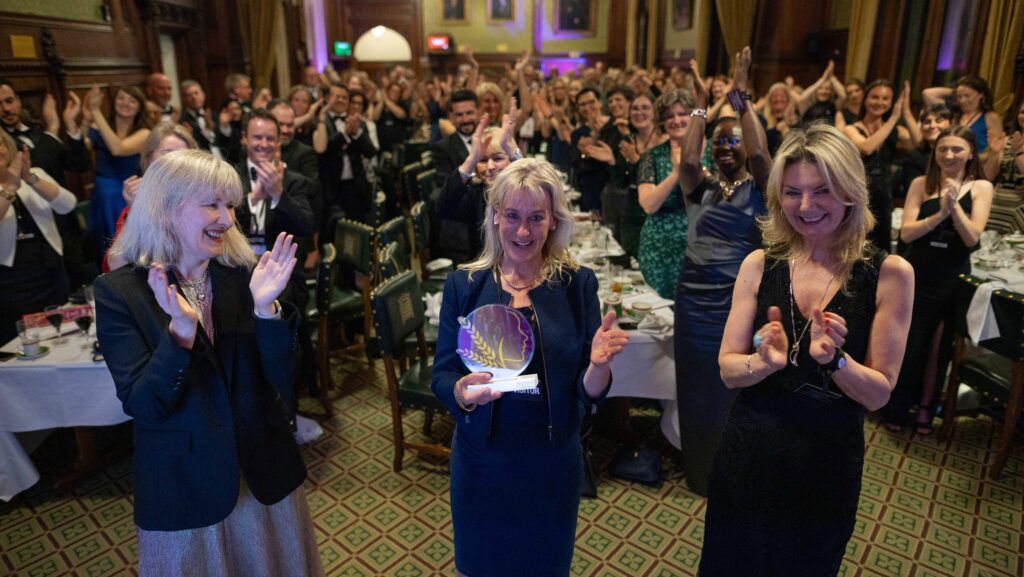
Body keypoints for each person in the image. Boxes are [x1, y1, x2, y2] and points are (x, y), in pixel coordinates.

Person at [95, 149, 324, 577]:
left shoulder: (246, 274)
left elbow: (286, 378)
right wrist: (179, 335)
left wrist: (266, 311)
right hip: (185, 484)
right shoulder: (119, 292)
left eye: (230, 205)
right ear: (165, 208)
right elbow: (145, 406)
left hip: (263, 476)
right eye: (211, 204)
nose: (226, 217)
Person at [702, 123, 913, 575]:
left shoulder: (889, 273)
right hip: (749, 452)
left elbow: (879, 394)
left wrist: (836, 360)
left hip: (825, 462)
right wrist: (762, 362)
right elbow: (727, 368)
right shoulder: (759, 263)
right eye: (792, 192)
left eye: (822, 191)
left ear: (851, 192)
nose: (805, 206)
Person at [431, 157, 629, 576]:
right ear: (495, 217)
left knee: (544, 565)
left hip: (550, 459)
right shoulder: (463, 284)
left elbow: (590, 391)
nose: (523, 232)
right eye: (513, 216)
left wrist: (598, 366)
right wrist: (460, 394)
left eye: (536, 218)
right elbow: (443, 374)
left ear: (554, 221)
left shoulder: (578, 284)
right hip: (482, 458)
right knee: (481, 564)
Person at [674, 49, 771, 496]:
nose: (726, 146)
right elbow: (687, 161)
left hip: (737, 302)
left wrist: (741, 100)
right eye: (720, 141)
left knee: (732, 388)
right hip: (693, 300)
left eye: (733, 141)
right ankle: (698, 471)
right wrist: (700, 104)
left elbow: (761, 153)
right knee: (695, 390)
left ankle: (733, 473)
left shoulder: (762, 188)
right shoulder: (701, 187)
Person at [881, 126, 991, 434]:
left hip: (952, 276)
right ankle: (898, 404)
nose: (949, 155)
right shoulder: (921, 183)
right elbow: (907, 233)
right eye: (943, 149)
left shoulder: (982, 187)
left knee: (937, 347)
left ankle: (927, 406)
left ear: (970, 152)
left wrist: (954, 208)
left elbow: (972, 238)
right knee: (909, 342)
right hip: (917, 274)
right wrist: (940, 213)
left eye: (956, 149)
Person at [0, 129, 76, 343]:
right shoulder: (11, 185)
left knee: (61, 330)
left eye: (0, 143)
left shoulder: (35, 173)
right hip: (11, 277)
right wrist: (11, 186)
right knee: (23, 339)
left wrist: (29, 178)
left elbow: (67, 204)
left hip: (49, 266)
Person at [105, 122, 197, 272]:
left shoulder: (205, 198)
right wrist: (137, 209)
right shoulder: (134, 204)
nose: (175, 162)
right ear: (148, 159)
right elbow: (116, 265)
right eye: (167, 153)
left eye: (183, 155)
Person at [437, 103, 521, 264]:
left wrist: (515, 155)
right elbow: (443, 208)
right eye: (483, 160)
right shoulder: (475, 192)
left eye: (497, 158)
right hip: (484, 272)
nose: (490, 167)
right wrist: (470, 160)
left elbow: (536, 187)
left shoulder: (522, 191)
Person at [843, 79, 918, 252]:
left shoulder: (895, 130)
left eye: (885, 99)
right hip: (856, 195)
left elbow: (919, 142)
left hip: (883, 197)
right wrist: (893, 118)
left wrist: (905, 112)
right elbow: (867, 147)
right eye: (875, 97)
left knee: (879, 250)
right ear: (865, 99)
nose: (880, 103)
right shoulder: (851, 128)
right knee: (852, 248)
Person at [82, 85, 152, 256]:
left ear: (139, 107)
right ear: (113, 102)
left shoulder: (144, 133)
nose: (125, 103)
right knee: (103, 242)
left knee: (127, 241)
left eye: (132, 100)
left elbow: (118, 149)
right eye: (121, 98)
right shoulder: (100, 127)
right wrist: (85, 120)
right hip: (101, 193)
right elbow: (81, 152)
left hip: (126, 194)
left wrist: (96, 112)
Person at [636, 88, 693, 298]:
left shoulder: (711, 153)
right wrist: (676, 173)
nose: (676, 120)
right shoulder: (652, 156)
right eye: (669, 116)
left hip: (697, 249)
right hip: (657, 249)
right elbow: (648, 204)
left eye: (682, 114)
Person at [617, 91, 665, 259]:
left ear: (654, 113)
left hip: (658, 213)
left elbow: (663, 178)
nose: (639, 112)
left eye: (645, 108)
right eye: (635, 109)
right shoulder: (627, 141)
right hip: (631, 212)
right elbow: (620, 180)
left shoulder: (665, 141)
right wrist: (611, 161)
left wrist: (637, 161)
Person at [924, 75, 1004, 158]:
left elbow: (997, 151)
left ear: (981, 94)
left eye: (967, 96)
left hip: (978, 163)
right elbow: (928, 94)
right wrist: (957, 91)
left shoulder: (991, 117)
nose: (962, 100)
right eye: (959, 97)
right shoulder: (954, 114)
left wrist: (966, 156)